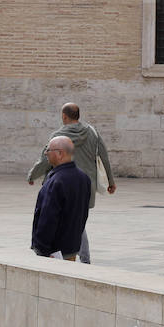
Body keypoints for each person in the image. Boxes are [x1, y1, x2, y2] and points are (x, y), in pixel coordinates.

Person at [26, 102, 114, 263]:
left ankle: (66, 254)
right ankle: (82, 257)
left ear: (64, 116)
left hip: (62, 180)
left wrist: (32, 175)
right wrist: (111, 181)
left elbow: (44, 160)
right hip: (85, 183)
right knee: (78, 219)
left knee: (59, 217)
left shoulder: (58, 136)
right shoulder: (92, 132)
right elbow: (104, 156)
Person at [31, 136, 91, 261]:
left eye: (48, 150)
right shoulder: (83, 178)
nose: (46, 153)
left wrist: (42, 249)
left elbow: (48, 218)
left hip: (54, 252)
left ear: (60, 153)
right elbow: (83, 215)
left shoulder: (56, 181)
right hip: (71, 248)